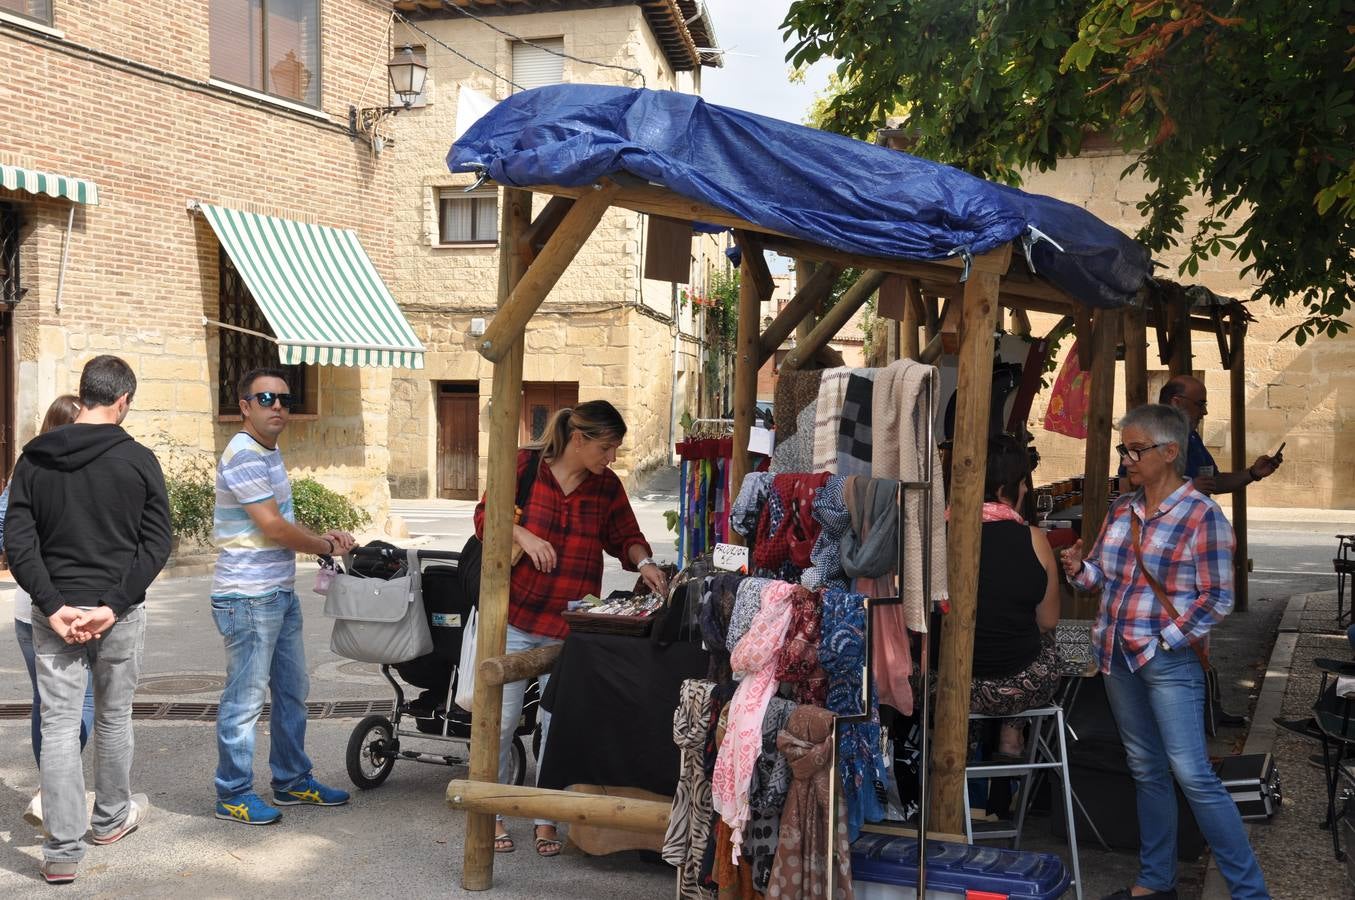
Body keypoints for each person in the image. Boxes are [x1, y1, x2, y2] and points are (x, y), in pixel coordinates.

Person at [1062, 404, 1268, 900]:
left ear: (1170, 451)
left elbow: (1217, 597)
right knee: (1145, 768)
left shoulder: (1202, 515)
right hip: (1116, 656)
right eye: (1123, 449)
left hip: (1167, 661)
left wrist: (1163, 642)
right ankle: (1156, 883)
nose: (1127, 459)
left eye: (1135, 449)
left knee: (1193, 774)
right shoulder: (1121, 509)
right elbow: (1102, 579)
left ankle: (1250, 892)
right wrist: (1076, 568)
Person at [472, 400, 666, 857]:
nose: (612, 457)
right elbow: (486, 517)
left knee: (559, 727)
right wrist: (524, 536)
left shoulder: (606, 487)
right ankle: (493, 812)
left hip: (572, 625)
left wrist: (647, 563)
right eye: (607, 447)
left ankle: (547, 818)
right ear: (579, 440)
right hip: (514, 617)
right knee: (498, 724)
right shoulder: (523, 466)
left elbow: (626, 537)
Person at [6, 356, 172, 885]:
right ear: (122, 400)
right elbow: (156, 543)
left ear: (85, 394)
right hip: (115, 615)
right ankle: (109, 820)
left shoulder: (33, 459)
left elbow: (18, 541)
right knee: (113, 717)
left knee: (58, 725)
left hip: (54, 614)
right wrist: (113, 605)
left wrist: (53, 606)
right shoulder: (139, 458)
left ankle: (61, 850)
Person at [210, 367, 356, 826]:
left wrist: (318, 538)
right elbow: (272, 528)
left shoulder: (268, 452)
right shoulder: (245, 454)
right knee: (245, 700)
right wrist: (324, 546)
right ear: (245, 406)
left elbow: (279, 521)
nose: (277, 406)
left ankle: (292, 780)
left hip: (276, 591)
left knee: (292, 692)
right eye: (266, 398)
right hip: (247, 597)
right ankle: (231, 793)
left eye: (285, 400)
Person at [1, 394, 92, 830]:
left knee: (49, 702)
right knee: (82, 702)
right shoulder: (84, 468)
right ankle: (54, 791)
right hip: (69, 608)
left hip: (32, 604)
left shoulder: (26, 467)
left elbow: (7, 531)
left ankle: (49, 788)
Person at [971, 435, 1062, 759]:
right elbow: (1048, 621)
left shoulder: (941, 532)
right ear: (1002, 490)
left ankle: (967, 739)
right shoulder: (1035, 540)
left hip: (950, 688)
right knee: (1048, 645)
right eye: (1022, 484)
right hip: (1021, 686)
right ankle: (1013, 728)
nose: (1025, 491)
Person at [1159, 375, 1282, 494]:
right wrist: (1187, 490)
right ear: (1176, 403)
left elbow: (1214, 482)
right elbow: (1142, 491)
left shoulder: (1192, 437)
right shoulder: (1148, 438)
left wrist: (1253, 473)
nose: (1205, 412)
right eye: (1200, 404)